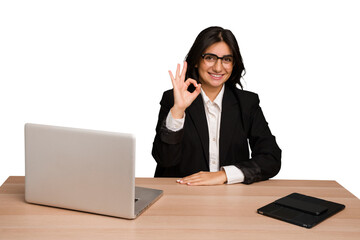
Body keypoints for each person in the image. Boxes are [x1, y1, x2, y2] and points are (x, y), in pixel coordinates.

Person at [152, 26, 281, 186]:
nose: (218, 68)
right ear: (196, 62)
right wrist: (178, 110)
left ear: (234, 64)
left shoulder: (247, 103)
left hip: (230, 197)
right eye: (210, 58)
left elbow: (271, 158)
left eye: (227, 59)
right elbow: (165, 160)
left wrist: (224, 175)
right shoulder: (173, 99)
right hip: (182, 194)